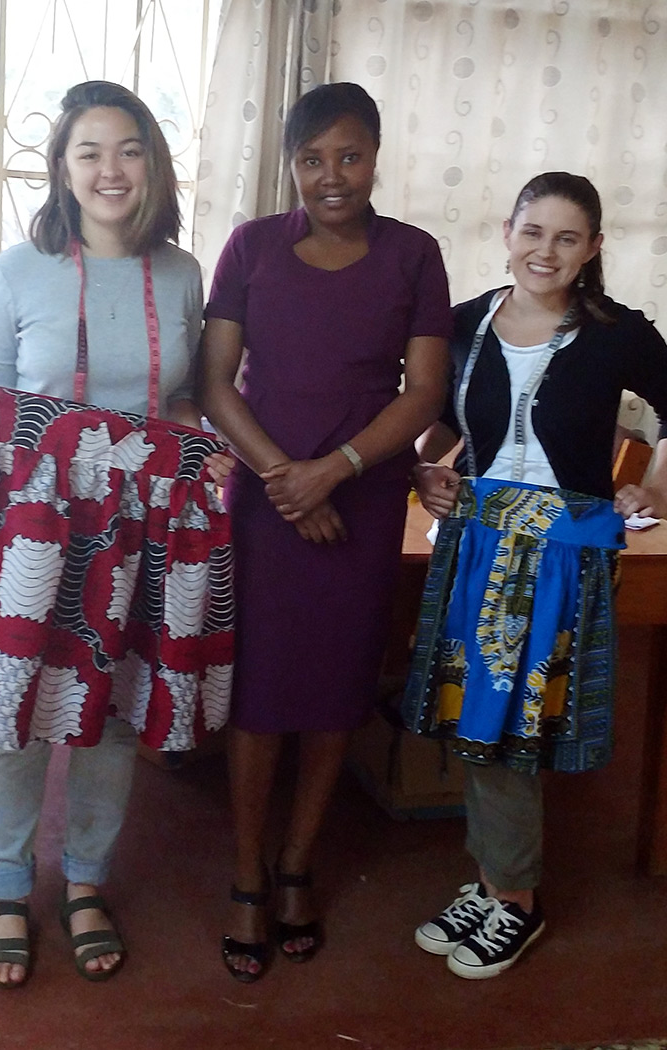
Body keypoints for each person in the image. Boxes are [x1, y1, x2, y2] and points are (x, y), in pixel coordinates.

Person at [0, 80, 233, 989]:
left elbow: (181, 397)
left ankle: (86, 882)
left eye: (129, 150)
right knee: (19, 709)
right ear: (63, 168)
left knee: (114, 713)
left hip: (141, 522)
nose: (110, 169)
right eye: (90, 152)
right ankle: (6, 888)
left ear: (153, 164)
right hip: (42, 520)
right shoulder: (21, 267)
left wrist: (207, 447)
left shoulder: (181, 272)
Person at [200, 82, 452, 982]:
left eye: (349, 155)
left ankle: (299, 863)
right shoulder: (251, 246)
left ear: (376, 156)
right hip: (267, 505)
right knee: (260, 691)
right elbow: (215, 381)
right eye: (312, 159)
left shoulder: (415, 255)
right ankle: (246, 874)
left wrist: (333, 470)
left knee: (339, 685)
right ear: (291, 164)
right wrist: (286, 479)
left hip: (365, 503)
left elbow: (423, 391)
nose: (331, 176)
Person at [402, 171, 667, 980]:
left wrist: (656, 488)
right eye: (533, 231)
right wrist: (424, 469)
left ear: (592, 249)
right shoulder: (464, 324)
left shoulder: (617, 333)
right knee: (475, 717)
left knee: (510, 728)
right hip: (476, 545)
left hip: (563, 557)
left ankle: (515, 898)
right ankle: (494, 881)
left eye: (566, 237)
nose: (545, 251)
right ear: (507, 233)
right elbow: (434, 420)